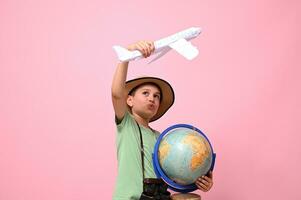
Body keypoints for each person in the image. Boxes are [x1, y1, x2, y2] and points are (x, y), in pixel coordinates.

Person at [111, 41, 213, 200]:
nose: (151, 98)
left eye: (156, 96)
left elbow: (175, 174)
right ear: (129, 100)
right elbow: (117, 94)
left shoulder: (162, 140)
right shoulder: (126, 124)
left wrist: (198, 179)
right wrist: (127, 55)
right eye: (145, 93)